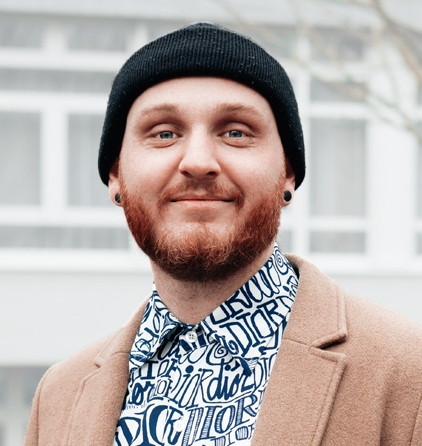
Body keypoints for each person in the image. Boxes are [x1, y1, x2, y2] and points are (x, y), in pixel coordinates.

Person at [25, 22, 422, 446]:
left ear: (288, 174)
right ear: (116, 176)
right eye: (164, 133)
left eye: (235, 132)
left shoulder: (408, 373)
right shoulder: (58, 395)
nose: (198, 162)